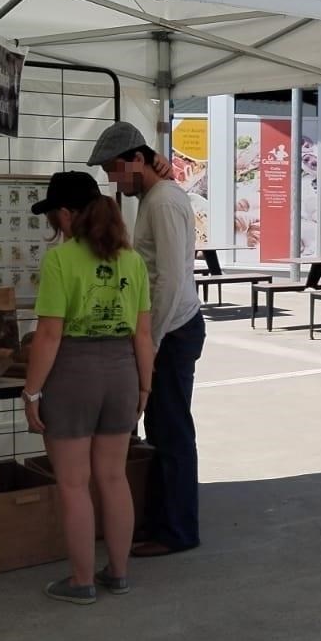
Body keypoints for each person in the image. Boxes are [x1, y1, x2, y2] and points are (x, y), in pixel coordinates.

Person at [23, 172, 154, 604]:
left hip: (73, 374)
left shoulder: (61, 260)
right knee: (114, 478)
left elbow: (48, 336)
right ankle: (118, 573)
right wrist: (144, 388)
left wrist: (31, 392)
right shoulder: (131, 260)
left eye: (54, 216)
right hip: (122, 372)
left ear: (66, 213)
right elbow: (142, 335)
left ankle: (81, 582)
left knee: (74, 484)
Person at [87, 121, 205, 556]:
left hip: (172, 331)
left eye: (115, 170)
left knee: (172, 432)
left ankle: (177, 531)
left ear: (137, 159)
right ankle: (162, 523)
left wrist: (148, 346)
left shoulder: (163, 201)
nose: (113, 181)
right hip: (165, 332)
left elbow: (171, 280)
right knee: (160, 430)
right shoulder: (157, 197)